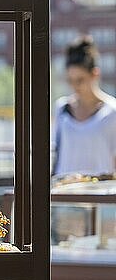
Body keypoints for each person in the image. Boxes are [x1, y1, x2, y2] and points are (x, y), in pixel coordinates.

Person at [53, 36, 116, 177]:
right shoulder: (61, 108)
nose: (75, 86)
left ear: (95, 74)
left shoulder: (112, 111)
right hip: (63, 193)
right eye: (70, 80)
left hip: (99, 193)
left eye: (80, 80)